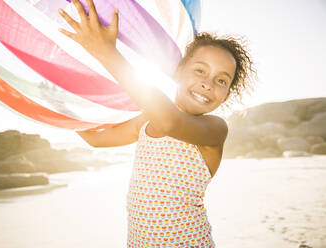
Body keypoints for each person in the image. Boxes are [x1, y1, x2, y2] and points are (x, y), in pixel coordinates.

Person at [59, 0, 255, 247]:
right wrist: (59, 105)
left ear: (226, 94)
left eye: (222, 81)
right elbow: (97, 139)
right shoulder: (147, 121)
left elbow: (170, 122)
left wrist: (107, 52)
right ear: (178, 71)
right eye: (200, 71)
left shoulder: (214, 129)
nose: (208, 84)